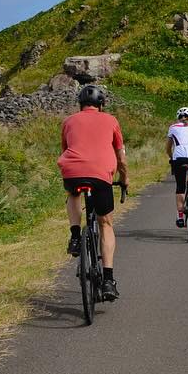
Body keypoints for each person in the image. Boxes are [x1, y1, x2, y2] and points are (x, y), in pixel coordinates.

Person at [58, 84, 128, 302]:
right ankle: (108, 280)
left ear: (80, 104)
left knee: (73, 194)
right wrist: (124, 179)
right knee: (105, 223)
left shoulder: (68, 121)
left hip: (73, 171)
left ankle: (76, 236)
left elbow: (65, 148)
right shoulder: (111, 120)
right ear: (101, 104)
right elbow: (121, 158)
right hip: (101, 174)